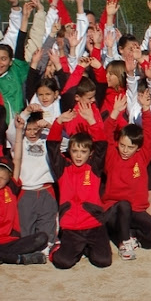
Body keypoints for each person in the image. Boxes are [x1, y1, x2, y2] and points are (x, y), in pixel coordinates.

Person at [47, 105, 112, 269]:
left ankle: (88, 248)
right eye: (75, 151)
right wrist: (59, 122)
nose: (78, 155)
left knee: (103, 261)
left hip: (94, 224)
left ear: (89, 153)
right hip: (72, 227)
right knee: (63, 262)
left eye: (83, 152)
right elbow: (53, 147)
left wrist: (92, 121)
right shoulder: (63, 169)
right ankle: (64, 246)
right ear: (69, 151)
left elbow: (102, 146)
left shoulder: (94, 168)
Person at [102, 92, 151, 260]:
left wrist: (146, 109)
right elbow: (105, 135)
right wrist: (114, 113)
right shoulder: (112, 155)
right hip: (114, 210)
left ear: (138, 148)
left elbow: (149, 135)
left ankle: (130, 233)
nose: (125, 150)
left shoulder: (142, 157)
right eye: (122, 145)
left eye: (130, 147)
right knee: (124, 206)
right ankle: (124, 242)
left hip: (136, 210)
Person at [0, 126, 48, 265]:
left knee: (41, 238)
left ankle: (5, 257)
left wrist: (20, 131)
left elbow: (18, 160)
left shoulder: (11, 189)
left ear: (9, 178)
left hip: (9, 241)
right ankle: (20, 259)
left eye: (2, 178)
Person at [15, 110, 57, 255]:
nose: (32, 133)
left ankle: (47, 249)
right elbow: (12, 131)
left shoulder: (46, 139)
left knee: (48, 226)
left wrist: (50, 126)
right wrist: (26, 113)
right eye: (29, 129)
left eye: (35, 129)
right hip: (26, 191)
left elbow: (66, 141)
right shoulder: (19, 141)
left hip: (46, 189)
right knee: (26, 230)